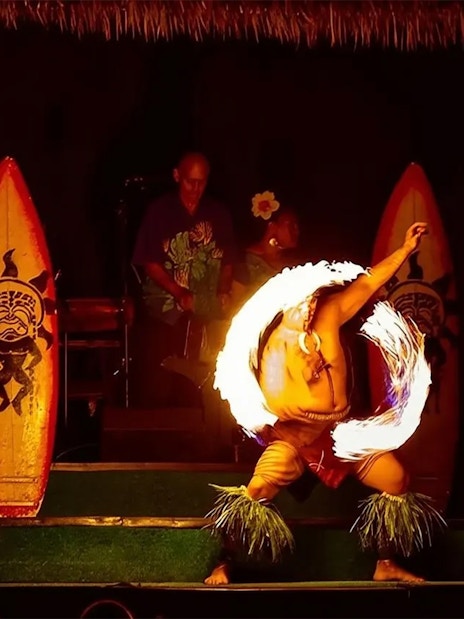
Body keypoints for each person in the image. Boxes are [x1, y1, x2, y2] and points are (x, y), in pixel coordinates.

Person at [204, 220, 445, 585]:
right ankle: (223, 562)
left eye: (313, 299)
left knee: (396, 479)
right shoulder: (276, 348)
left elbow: (367, 283)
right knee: (256, 491)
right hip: (297, 440)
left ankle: (385, 563)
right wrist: (310, 374)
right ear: (285, 303)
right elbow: (281, 405)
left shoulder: (328, 316)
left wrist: (406, 250)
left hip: (340, 434)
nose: (310, 307)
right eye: (303, 302)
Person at [131, 151, 236, 409]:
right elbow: (148, 261)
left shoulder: (218, 213)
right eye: (190, 181)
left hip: (204, 316)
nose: (196, 188)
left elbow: (229, 260)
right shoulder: (159, 212)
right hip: (165, 314)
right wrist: (178, 292)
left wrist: (223, 290)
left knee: (200, 386)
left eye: (202, 182)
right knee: (162, 384)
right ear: (177, 176)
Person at [230, 190, 302, 311]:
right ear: (272, 226)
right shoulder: (245, 263)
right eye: (291, 225)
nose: (297, 231)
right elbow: (234, 308)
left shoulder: (293, 264)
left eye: (296, 226)